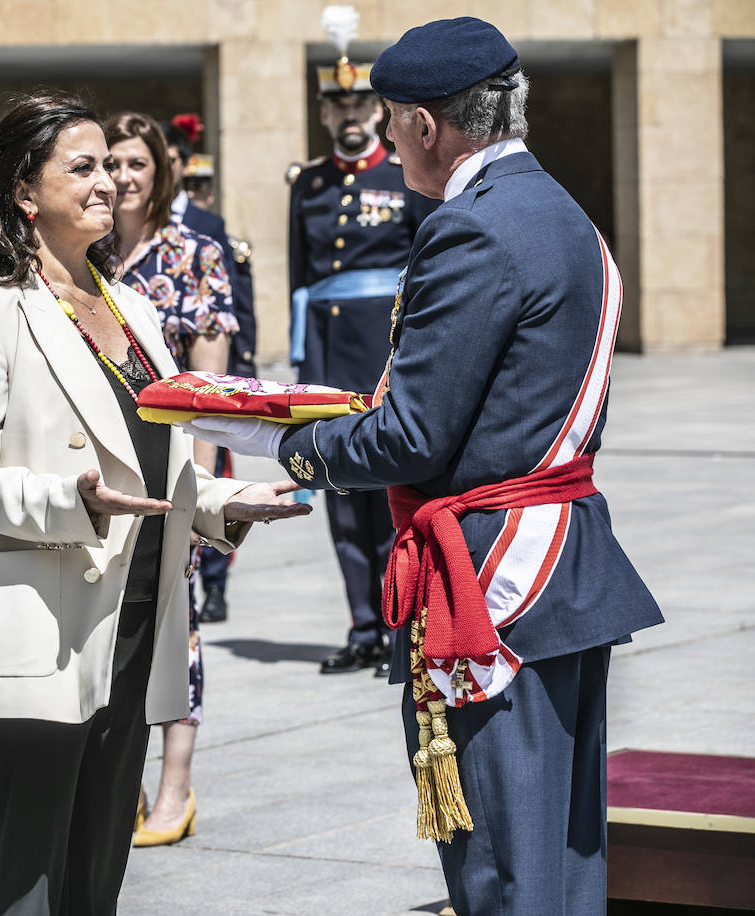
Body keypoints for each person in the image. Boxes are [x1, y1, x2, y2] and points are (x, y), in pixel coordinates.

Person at [184, 18, 664, 914]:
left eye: (392, 121)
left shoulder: (471, 230)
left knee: (501, 866)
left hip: (490, 578)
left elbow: (411, 436)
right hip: (562, 562)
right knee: (562, 859)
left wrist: (274, 442)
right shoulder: (560, 210)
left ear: (423, 124)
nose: (387, 138)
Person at [0, 91, 308, 914]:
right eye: (81, 168)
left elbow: (154, 464)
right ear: (25, 193)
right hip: (35, 626)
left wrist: (230, 500)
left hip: (133, 618)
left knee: (98, 864)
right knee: (25, 871)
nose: (107, 184)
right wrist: (72, 502)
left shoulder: (131, 308)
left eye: (109, 167)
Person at [288, 10, 437, 677]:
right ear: (323, 114)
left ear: (374, 112)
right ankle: (362, 626)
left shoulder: (402, 177)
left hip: (384, 355)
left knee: (389, 497)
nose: (348, 115)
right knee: (342, 500)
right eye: (336, 104)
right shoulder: (309, 185)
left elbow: (430, 267)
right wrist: (300, 362)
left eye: (357, 103)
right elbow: (301, 280)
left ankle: (401, 626)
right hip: (326, 354)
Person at [104, 110, 236, 849]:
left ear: (161, 173)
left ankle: (174, 789)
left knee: (175, 631)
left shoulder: (196, 255)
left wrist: (207, 492)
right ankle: (117, 781)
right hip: (101, 473)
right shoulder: (84, 255)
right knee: (113, 631)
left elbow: (211, 393)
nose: (121, 178)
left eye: (135, 165)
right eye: (110, 164)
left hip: (174, 467)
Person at [162, 115, 256, 625]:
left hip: (204, 376)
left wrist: (241, 369)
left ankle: (216, 581)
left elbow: (235, 304)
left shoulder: (208, 226)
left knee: (215, 477)